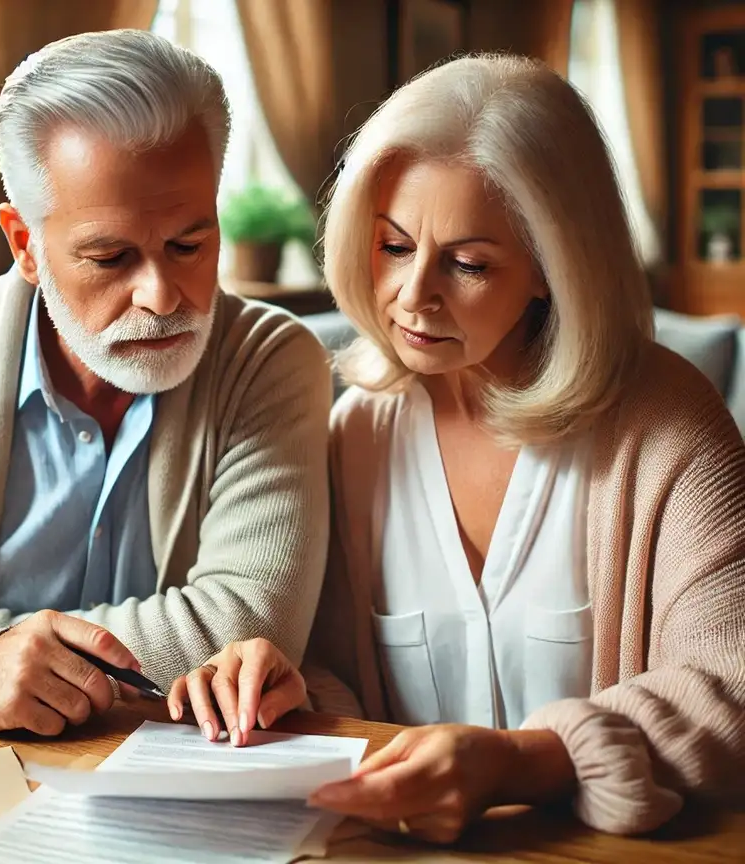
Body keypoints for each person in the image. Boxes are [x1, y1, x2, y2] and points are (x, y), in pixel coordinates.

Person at [173, 54, 745, 842]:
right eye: (395, 245)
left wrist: (526, 762)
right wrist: (283, 690)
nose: (413, 295)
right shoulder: (359, 433)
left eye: (469, 263)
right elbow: (347, 689)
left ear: (554, 268)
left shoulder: (668, 425)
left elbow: (731, 688)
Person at [0, 30, 331, 740]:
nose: (161, 294)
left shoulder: (269, 361)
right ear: (25, 245)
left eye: (189, 244)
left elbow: (245, 623)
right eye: (110, 256)